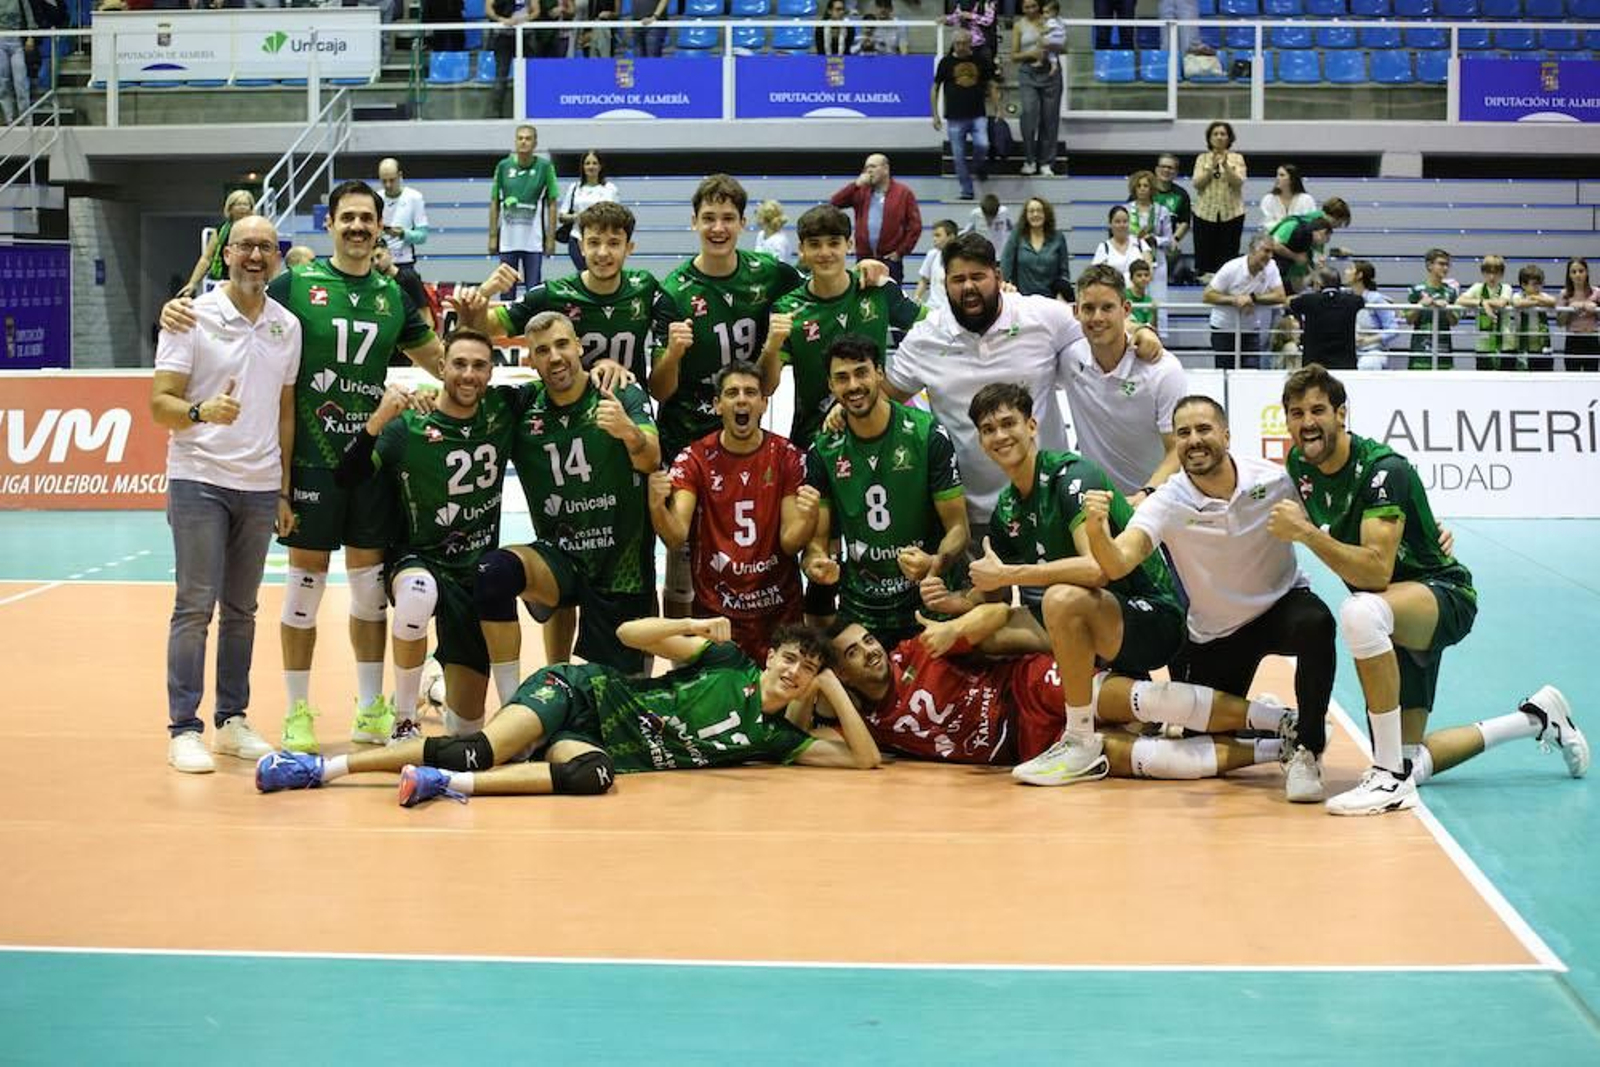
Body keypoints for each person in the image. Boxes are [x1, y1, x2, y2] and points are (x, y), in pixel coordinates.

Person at [160, 181, 446, 754]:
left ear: (380, 227)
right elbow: (242, 296)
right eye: (348, 217)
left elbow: (440, 360)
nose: (358, 227)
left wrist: (457, 374)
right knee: (302, 588)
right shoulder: (296, 285)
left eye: (367, 218)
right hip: (311, 461)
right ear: (330, 224)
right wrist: (179, 303)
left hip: (367, 457)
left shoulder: (394, 294)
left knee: (369, 592)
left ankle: (370, 709)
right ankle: (296, 714)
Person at [1268, 364, 1589, 815]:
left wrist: (1305, 533)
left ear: (1341, 413)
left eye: (1318, 410)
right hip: (1392, 613)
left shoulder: (1384, 470)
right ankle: (1536, 718)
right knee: (1410, 759)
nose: (1307, 422)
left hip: (1440, 595)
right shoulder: (1299, 464)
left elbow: (1375, 572)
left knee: (1360, 611)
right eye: (1296, 413)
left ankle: (1387, 780)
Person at [255, 618, 883, 805]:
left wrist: (832, 685)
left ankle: (443, 784)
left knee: (593, 776)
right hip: (582, 691)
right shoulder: (726, 663)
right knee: (479, 748)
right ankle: (319, 769)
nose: (793, 671)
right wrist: (692, 625)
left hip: (594, 740)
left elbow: (865, 760)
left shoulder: (776, 739)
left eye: (807, 669)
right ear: (770, 656)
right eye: (789, 658)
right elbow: (631, 636)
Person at [1082, 394, 1336, 802]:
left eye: (1204, 429)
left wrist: (1430, 537)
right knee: (1198, 738)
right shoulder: (1167, 501)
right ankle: (1272, 720)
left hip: (1280, 604)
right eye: (1183, 433)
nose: (1194, 440)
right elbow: (1118, 562)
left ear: (1227, 436)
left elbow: (1336, 517)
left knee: (1317, 623)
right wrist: (1097, 531)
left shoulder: (1274, 480)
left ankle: (1307, 746)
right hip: (1216, 632)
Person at [961, 384, 1187, 787]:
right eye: (989, 429)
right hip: (1102, 619)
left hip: (1153, 616)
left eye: (1009, 423)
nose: (1000, 435)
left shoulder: (1072, 475)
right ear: (980, 441)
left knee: (1061, 598)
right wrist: (944, 598)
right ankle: (1107, 703)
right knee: (985, 634)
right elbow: (992, 594)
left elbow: (1097, 570)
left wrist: (1010, 574)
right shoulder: (1007, 506)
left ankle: (1079, 736)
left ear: (1032, 426)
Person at [890, 232, 1161, 540]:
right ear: (944, 282)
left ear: (997, 276)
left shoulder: (1040, 315)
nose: (968, 287)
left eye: (977, 277)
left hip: (1054, 508)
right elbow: (885, 402)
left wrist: (1141, 330)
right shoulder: (924, 339)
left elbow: (1098, 322)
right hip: (971, 518)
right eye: (958, 279)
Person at [152, 215, 300, 774]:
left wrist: (283, 489)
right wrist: (200, 411)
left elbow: (285, 412)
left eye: (266, 247)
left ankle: (232, 721)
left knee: (242, 610)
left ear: (277, 257)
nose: (255, 256)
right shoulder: (190, 315)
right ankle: (183, 729)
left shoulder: (287, 326)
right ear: (226, 255)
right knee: (195, 606)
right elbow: (159, 403)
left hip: (259, 486)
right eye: (245, 246)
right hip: (199, 478)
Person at [829, 615, 1294, 780]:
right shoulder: (863, 722)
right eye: (853, 652)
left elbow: (998, 614)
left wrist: (957, 626)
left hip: (1026, 685)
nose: (870, 651)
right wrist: (828, 685)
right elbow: (806, 714)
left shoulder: (916, 649)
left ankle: (1283, 720)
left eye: (868, 640)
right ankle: (1278, 750)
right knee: (1153, 761)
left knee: (1148, 698)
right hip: (1026, 746)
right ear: (842, 676)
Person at [334, 331, 517, 742]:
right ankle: (404, 720)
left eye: (479, 366)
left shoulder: (502, 409)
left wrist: (605, 369)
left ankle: (432, 684)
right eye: (459, 364)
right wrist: (378, 420)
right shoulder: (410, 424)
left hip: (472, 573)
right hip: (418, 558)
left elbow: (559, 388)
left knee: (466, 729)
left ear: (491, 372)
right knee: (418, 593)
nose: (468, 374)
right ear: (441, 367)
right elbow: (347, 475)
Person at [475, 311, 660, 700]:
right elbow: (463, 396)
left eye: (562, 345)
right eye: (542, 350)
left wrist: (628, 433)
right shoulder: (523, 404)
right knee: (493, 573)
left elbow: (650, 459)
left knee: (616, 705)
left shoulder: (619, 392)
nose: (555, 357)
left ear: (579, 346)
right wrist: (427, 396)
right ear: (531, 359)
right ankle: (517, 699)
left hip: (620, 571)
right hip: (560, 561)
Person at [650, 174, 806, 617]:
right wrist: (674, 353)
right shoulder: (674, 290)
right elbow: (659, 389)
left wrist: (870, 275)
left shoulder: (771, 274)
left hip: (746, 436)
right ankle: (680, 650)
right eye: (708, 218)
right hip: (687, 437)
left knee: (749, 546)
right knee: (682, 556)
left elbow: (823, 286)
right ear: (694, 222)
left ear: (742, 223)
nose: (718, 227)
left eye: (727, 218)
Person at [804, 335, 969, 648]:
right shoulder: (823, 450)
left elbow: (959, 529)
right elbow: (817, 542)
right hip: (861, 609)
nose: (853, 385)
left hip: (928, 599)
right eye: (842, 377)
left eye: (861, 373)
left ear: (879, 373)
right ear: (830, 385)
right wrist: (815, 563)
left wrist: (934, 562)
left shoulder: (927, 434)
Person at [650, 361, 813, 661]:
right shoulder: (694, 459)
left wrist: (809, 515)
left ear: (764, 404)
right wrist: (656, 506)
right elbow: (675, 537)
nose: (741, 399)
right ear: (717, 405)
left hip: (779, 616)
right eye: (732, 393)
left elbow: (791, 543)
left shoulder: (788, 457)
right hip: (718, 620)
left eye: (750, 392)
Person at [765, 204, 923, 452]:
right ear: (802, 250)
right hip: (815, 442)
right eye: (815, 244)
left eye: (833, 243)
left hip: (879, 436)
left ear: (849, 245)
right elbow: (767, 386)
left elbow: (935, 325)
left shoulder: (878, 289)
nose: (825, 252)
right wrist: (771, 346)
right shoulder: (788, 308)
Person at [464, 200, 655, 383]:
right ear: (581, 247)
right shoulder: (551, 294)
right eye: (594, 242)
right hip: (569, 402)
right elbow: (483, 329)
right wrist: (483, 294)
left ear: (629, 248)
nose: (603, 253)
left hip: (632, 400)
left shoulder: (644, 287)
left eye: (613, 243)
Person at [1062, 264, 1185, 501]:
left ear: (1126, 309)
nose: (1097, 317)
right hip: (1097, 501)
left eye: (1107, 307)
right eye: (1089, 308)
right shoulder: (1069, 358)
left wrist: (1146, 494)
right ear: (1076, 312)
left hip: (1158, 500)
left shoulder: (1164, 371)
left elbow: (1177, 450)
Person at [829, 153, 923, 284]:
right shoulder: (861, 191)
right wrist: (855, 184)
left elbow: (915, 226)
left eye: (873, 167)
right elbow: (835, 202)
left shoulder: (903, 193)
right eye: (866, 168)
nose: (868, 171)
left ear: (885, 169)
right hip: (864, 258)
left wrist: (900, 252)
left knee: (890, 295)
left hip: (889, 260)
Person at [488, 125, 559, 299]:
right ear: (515, 141)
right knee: (506, 289)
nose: (523, 142)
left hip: (533, 242)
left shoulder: (545, 167)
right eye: (520, 138)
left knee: (534, 290)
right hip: (508, 242)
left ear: (535, 143)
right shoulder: (503, 166)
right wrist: (492, 236)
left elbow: (552, 203)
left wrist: (551, 238)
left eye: (528, 138)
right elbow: (495, 202)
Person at [931, 31, 1000, 202]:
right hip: (955, 117)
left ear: (970, 43)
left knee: (983, 145)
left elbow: (991, 85)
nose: (960, 47)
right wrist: (935, 115)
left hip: (978, 114)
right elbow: (935, 88)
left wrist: (998, 108)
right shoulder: (946, 62)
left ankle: (977, 166)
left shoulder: (980, 60)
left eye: (964, 43)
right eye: (957, 43)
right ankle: (967, 190)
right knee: (959, 157)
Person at [1203, 233, 1285, 369]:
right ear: (1253, 250)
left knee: (1251, 372)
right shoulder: (1232, 267)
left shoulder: (1271, 267)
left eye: (1272, 252)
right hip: (1224, 328)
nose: (1270, 256)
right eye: (1266, 251)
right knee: (1226, 371)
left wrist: (1252, 298)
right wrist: (1235, 300)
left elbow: (1280, 296)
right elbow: (1207, 295)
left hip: (1251, 328)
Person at [1012, 0, 1063, 177]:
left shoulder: (1052, 20)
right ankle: (1029, 160)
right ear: (1022, 8)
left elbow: (1065, 47)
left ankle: (1046, 162)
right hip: (1028, 72)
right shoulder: (1019, 26)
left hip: (1051, 72)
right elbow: (1013, 56)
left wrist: (1051, 46)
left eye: (1034, 6)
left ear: (1039, 6)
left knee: (1050, 119)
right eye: (1027, 7)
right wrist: (1030, 53)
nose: (1031, 10)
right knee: (1028, 114)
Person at [1190, 120, 1246, 279]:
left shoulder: (1237, 158)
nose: (1219, 137)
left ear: (1229, 138)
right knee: (1204, 256)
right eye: (1215, 134)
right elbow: (1197, 184)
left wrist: (1226, 166)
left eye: (1223, 134)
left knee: (1228, 256)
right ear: (1209, 138)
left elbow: (1239, 182)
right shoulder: (1202, 158)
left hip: (1232, 213)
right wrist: (1210, 168)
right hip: (1205, 212)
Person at [180, 190, 256, 299]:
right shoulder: (221, 231)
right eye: (238, 204)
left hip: (250, 283)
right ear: (230, 208)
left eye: (245, 204)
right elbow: (206, 258)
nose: (242, 208)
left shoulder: (257, 230)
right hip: (224, 284)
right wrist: (192, 283)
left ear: (251, 208)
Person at [1287, 265, 1364, 370]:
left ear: (1318, 283)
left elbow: (1290, 302)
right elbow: (1361, 300)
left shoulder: (1308, 300)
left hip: (1314, 365)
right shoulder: (1353, 301)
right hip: (1345, 363)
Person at [1000, 196, 1073, 302]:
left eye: (1039, 211)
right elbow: (1006, 265)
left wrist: (1061, 294)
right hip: (1023, 300)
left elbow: (1064, 273)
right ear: (1026, 215)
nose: (1035, 214)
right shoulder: (1017, 236)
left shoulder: (1058, 238)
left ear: (1046, 214)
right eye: (1031, 211)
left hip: (1050, 300)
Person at [1127, 169, 1175, 328]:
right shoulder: (1126, 210)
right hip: (1133, 258)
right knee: (1134, 296)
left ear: (1152, 188)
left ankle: (1159, 335)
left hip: (1157, 261)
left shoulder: (1162, 210)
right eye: (1139, 185)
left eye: (1146, 186)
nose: (1142, 189)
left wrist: (1154, 239)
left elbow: (1169, 239)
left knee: (1157, 300)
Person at [557, 150, 619, 272]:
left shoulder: (610, 189)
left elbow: (617, 216)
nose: (591, 167)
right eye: (587, 163)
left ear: (600, 166)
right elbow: (562, 216)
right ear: (583, 167)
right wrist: (578, 217)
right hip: (578, 237)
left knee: (599, 273)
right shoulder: (574, 187)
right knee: (583, 273)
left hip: (602, 239)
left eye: (594, 163)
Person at [1456, 254, 1518, 371]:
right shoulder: (1477, 287)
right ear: (1482, 273)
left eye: (1496, 273)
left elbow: (1501, 303)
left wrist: (1485, 303)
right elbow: (1460, 300)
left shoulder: (1506, 288)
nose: (1492, 277)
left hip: (1506, 344)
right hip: (1483, 345)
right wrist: (1482, 302)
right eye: (1488, 272)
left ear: (1502, 274)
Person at [377, 157, 429, 292]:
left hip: (404, 263)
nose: (388, 185)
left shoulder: (414, 198)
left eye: (392, 180)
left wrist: (403, 233)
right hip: (379, 263)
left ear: (400, 176)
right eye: (384, 181)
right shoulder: (376, 198)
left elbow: (422, 236)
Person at [1405, 248, 1459, 370]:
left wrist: (1446, 309)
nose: (1445, 268)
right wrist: (1421, 305)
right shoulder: (1417, 290)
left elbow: (1454, 322)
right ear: (1429, 265)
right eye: (1441, 264)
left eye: (1447, 265)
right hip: (1420, 353)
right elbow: (1409, 320)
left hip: (1443, 350)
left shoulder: (1451, 291)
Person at [371, 244, 435, 341]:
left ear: (389, 253)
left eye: (379, 256)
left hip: (410, 339)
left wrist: (427, 341)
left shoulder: (409, 278)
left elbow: (425, 316)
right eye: (371, 260)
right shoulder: (374, 284)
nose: (376, 262)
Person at [1349, 259, 1401, 371]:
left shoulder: (1376, 299)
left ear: (1359, 275)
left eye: (1350, 269)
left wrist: (1368, 340)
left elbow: (1393, 329)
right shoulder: (1347, 298)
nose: (1346, 272)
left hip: (1372, 351)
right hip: (1351, 350)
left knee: (1367, 365)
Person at [1152, 153, 1194, 286]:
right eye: (1163, 166)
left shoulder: (1181, 194)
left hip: (1166, 242)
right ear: (1156, 169)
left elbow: (1185, 222)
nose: (1166, 170)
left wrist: (1174, 239)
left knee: (1173, 252)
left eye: (1170, 168)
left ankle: (1161, 283)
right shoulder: (1144, 189)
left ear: (1176, 172)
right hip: (1143, 240)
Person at [1507, 264, 1556, 370]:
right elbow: (1517, 303)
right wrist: (1535, 302)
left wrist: (1534, 298)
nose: (1537, 287)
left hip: (1542, 346)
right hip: (1522, 345)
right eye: (1533, 284)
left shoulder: (1542, 296)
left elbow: (1553, 302)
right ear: (1523, 285)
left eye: (1539, 284)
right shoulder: (1518, 295)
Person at [1557, 257, 1598, 372]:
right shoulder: (1564, 294)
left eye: (1581, 271)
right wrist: (1569, 309)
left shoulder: (1596, 292)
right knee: (1572, 376)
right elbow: (1560, 323)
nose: (1578, 275)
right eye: (1574, 272)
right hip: (1573, 340)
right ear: (1569, 275)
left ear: (1587, 272)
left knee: (1591, 377)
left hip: (1591, 339)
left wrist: (1595, 309)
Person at [914, 218, 959, 316]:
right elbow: (923, 280)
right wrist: (916, 297)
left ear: (951, 237)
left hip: (952, 311)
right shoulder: (932, 255)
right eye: (934, 236)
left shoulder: (961, 258)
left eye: (938, 235)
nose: (934, 239)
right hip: (932, 309)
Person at [1091, 205, 1146, 281]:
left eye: (1125, 221)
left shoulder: (1141, 244)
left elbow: (1149, 272)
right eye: (1117, 222)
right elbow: (1094, 275)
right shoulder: (1104, 247)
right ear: (1110, 224)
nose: (1122, 225)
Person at [1259, 163, 1314, 232]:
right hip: (1274, 237)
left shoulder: (1306, 199)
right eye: (1277, 175)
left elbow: (1309, 223)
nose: (1277, 178)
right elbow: (1266, 224)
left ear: (1292, 179)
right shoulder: (1268, 199)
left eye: (1282, 175)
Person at [753, 200, 796, 267]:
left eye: (758, 215)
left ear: (765, 219)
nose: (755, 217)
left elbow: (779, 267)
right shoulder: (761, 235)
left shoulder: (779, 241)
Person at [1125, 258, 1156, 328]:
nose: (1143, 278)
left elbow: (1151, 327)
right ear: (1131, 278)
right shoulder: (1123, 296)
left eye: (1146, 275)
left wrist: (1154, 312)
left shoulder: (1149, 300)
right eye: (1139, 275)